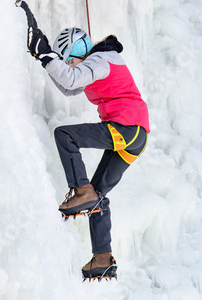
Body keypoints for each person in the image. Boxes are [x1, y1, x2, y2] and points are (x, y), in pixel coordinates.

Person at [28, 27, 149, 280]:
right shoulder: (96, 64)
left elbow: (71, 79)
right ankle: (102, 259)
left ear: (78, 49)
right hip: (135, 136)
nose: (70, 64)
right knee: (97, 197)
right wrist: (45, 59)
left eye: (70, 58)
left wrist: (49, 56)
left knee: (65, 135)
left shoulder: (102, 60)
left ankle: (81, 191)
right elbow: (70, 88)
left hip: (126, 128)